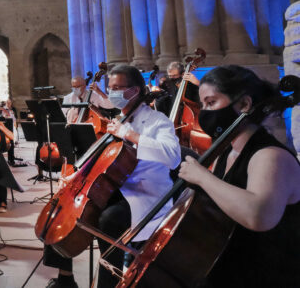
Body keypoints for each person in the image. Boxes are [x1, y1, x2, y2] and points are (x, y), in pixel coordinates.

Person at [43, 65, 180, 288]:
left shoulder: (157, 121)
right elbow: (103, 158)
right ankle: (64, 278)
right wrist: (75, 174)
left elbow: (172, 156)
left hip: (144, 192)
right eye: (110, 87)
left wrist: (132, 135)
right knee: (61, 210)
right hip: (116, 185)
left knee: (108, 220)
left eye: (117, 88)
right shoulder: (118, 119)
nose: (111, 92)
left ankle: (109, 282)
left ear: (135, 90)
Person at [176, 65, 300, 287]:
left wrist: (203, 177)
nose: (204, 112)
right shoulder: (226, 152)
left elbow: (259, 216)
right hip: (234, 267)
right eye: (203, 104)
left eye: (211, 103)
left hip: (270, 275)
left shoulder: (271, 156)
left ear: (244, 104)